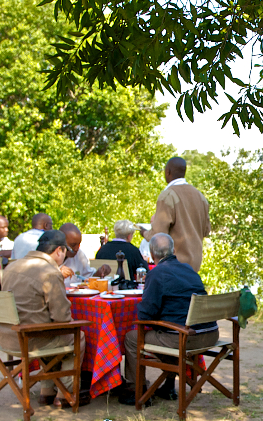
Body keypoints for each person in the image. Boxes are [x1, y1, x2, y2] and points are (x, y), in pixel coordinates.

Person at [119, 233, 219, 404]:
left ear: (151, 254)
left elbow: (145, 315)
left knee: (132, 338)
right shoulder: (189, 270)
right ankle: (169, 385)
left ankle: (137, 390)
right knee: (170, 331)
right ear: (173, 250)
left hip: (186, 338)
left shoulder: (157, 273)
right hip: (210, 335)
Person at [0, 229, 83, 406]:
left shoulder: (11, 266)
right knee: (76, 336)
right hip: (30, 340)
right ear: (59, 251)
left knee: (46, 329)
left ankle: (47, 390)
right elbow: (62, 318)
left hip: (6, 336)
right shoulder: (50, 272)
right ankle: (65, 393)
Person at [142, 157, 211, 272]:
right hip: (194, 266)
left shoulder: (168, 196)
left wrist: (143, 232)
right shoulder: (200, 197)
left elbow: (158, 235)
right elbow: (206, 231)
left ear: (167, 172)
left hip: (173, 267)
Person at [58, 222, 95, 287]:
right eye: (73, 245)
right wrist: (57, 273)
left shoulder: (80, 255)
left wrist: (99, 273)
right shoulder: (49, 256)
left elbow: (87, 277)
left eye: (79, 244)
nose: (76, 249)